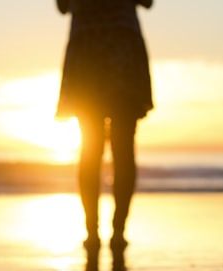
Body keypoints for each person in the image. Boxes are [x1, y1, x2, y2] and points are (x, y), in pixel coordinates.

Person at [56, 0, 154, 251]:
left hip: (87, 48)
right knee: (123, 148)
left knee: (90, 148)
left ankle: (93, 233)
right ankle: (118, 233)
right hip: (122, 47)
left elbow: (62, 5)